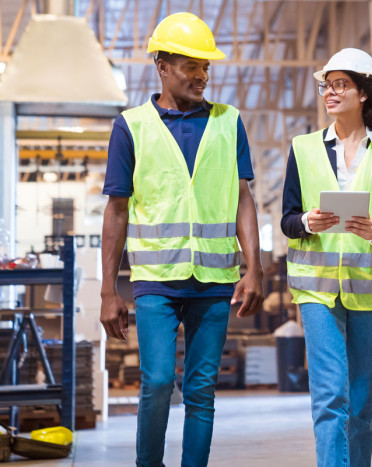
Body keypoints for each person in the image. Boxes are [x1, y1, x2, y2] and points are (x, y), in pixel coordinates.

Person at [99, 12, 263, 467]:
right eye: (191, 64)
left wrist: (255, 268)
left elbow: (243, 198)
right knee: (154, 382)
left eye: (206, 66)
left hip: (214, 280)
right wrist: (107, 289)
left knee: (201, 389)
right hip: (155, 279)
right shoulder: (130, 126)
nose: (202, 75)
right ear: (162, 65)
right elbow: (116, 210)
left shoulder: (229, 122)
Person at [280, 48, 372, 467]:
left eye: (340, 85)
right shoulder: (302, 149)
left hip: (371, 293)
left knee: (361, 401)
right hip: (317, 292)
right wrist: (306, 222)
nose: (330, 93)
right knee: (330, 396)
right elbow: (286, 219)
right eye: (327, 85)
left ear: (365, 93)